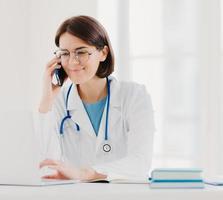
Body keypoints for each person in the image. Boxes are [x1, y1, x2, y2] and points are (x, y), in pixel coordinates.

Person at [37, 15, 155, 181]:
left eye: (81, 52)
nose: (72, 62)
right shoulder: (58, 102)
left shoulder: (134, 96)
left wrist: (88, 173)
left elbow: (140, 161)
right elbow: (47, 166)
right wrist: (46, 102)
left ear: (103, 53)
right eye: (65, 53)